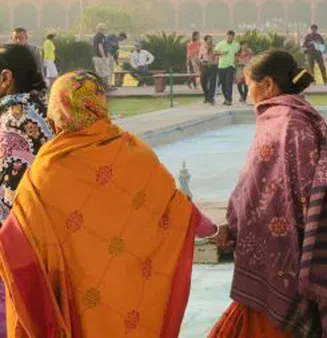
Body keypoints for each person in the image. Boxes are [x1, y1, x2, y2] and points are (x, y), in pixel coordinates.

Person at [0, 71, 215, 337]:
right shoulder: (135, 153)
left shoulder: (47, 171)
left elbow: (15, 239)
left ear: (58, 109)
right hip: (127, 299)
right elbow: (178, 210)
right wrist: (216, 232)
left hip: (77, 303)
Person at [209, 50, 327, 337]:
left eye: (248, 86)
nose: (247, 96)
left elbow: (269, 189)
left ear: (268, 84)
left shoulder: (285, 120)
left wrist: (235, 223)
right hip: (282, 246)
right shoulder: (296, 117)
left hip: (281, 249)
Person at [0, 44, 53, 334]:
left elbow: (8, 196)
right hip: (50, 242)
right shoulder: (47, 108)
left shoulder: (11, 122)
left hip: (16, 246)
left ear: (5, 78)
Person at [215, 30, 241, 106]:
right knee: (223, 83)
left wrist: (237, 61)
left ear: (233, 37)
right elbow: (215, 52)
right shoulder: (220, 44)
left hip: (231, 66)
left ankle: (229, 99)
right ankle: (226, 98)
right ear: (226, 36)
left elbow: (238, 53)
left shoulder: (236, 45)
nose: (230, 38)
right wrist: (222, 53)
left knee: (229, 82)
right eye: (229, 37)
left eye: (232, 37)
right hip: (221, 66)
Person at [91, 23, 114, 87]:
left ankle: (100, 86)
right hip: (100, 57)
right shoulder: (101, 36)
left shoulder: (95, 36)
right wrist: (104, 56)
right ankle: (107, 86)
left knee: (99, 72)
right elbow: (100, 46)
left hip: (95, 56)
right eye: (104, 29)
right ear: (102, 29)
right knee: (106, 72)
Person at [200, 34, 219, 104]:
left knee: (212, 83)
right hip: (204, 66)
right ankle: (206, 96)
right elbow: (200, 56)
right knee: (203, 82)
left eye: (211, 39)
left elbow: (217, 56)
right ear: (205, 40)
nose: (210, 40)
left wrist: (214, 62)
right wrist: (202, 62)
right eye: (209, 39)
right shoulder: (202, 47)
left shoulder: (215, 47)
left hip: (213, 66)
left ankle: (211, 98)